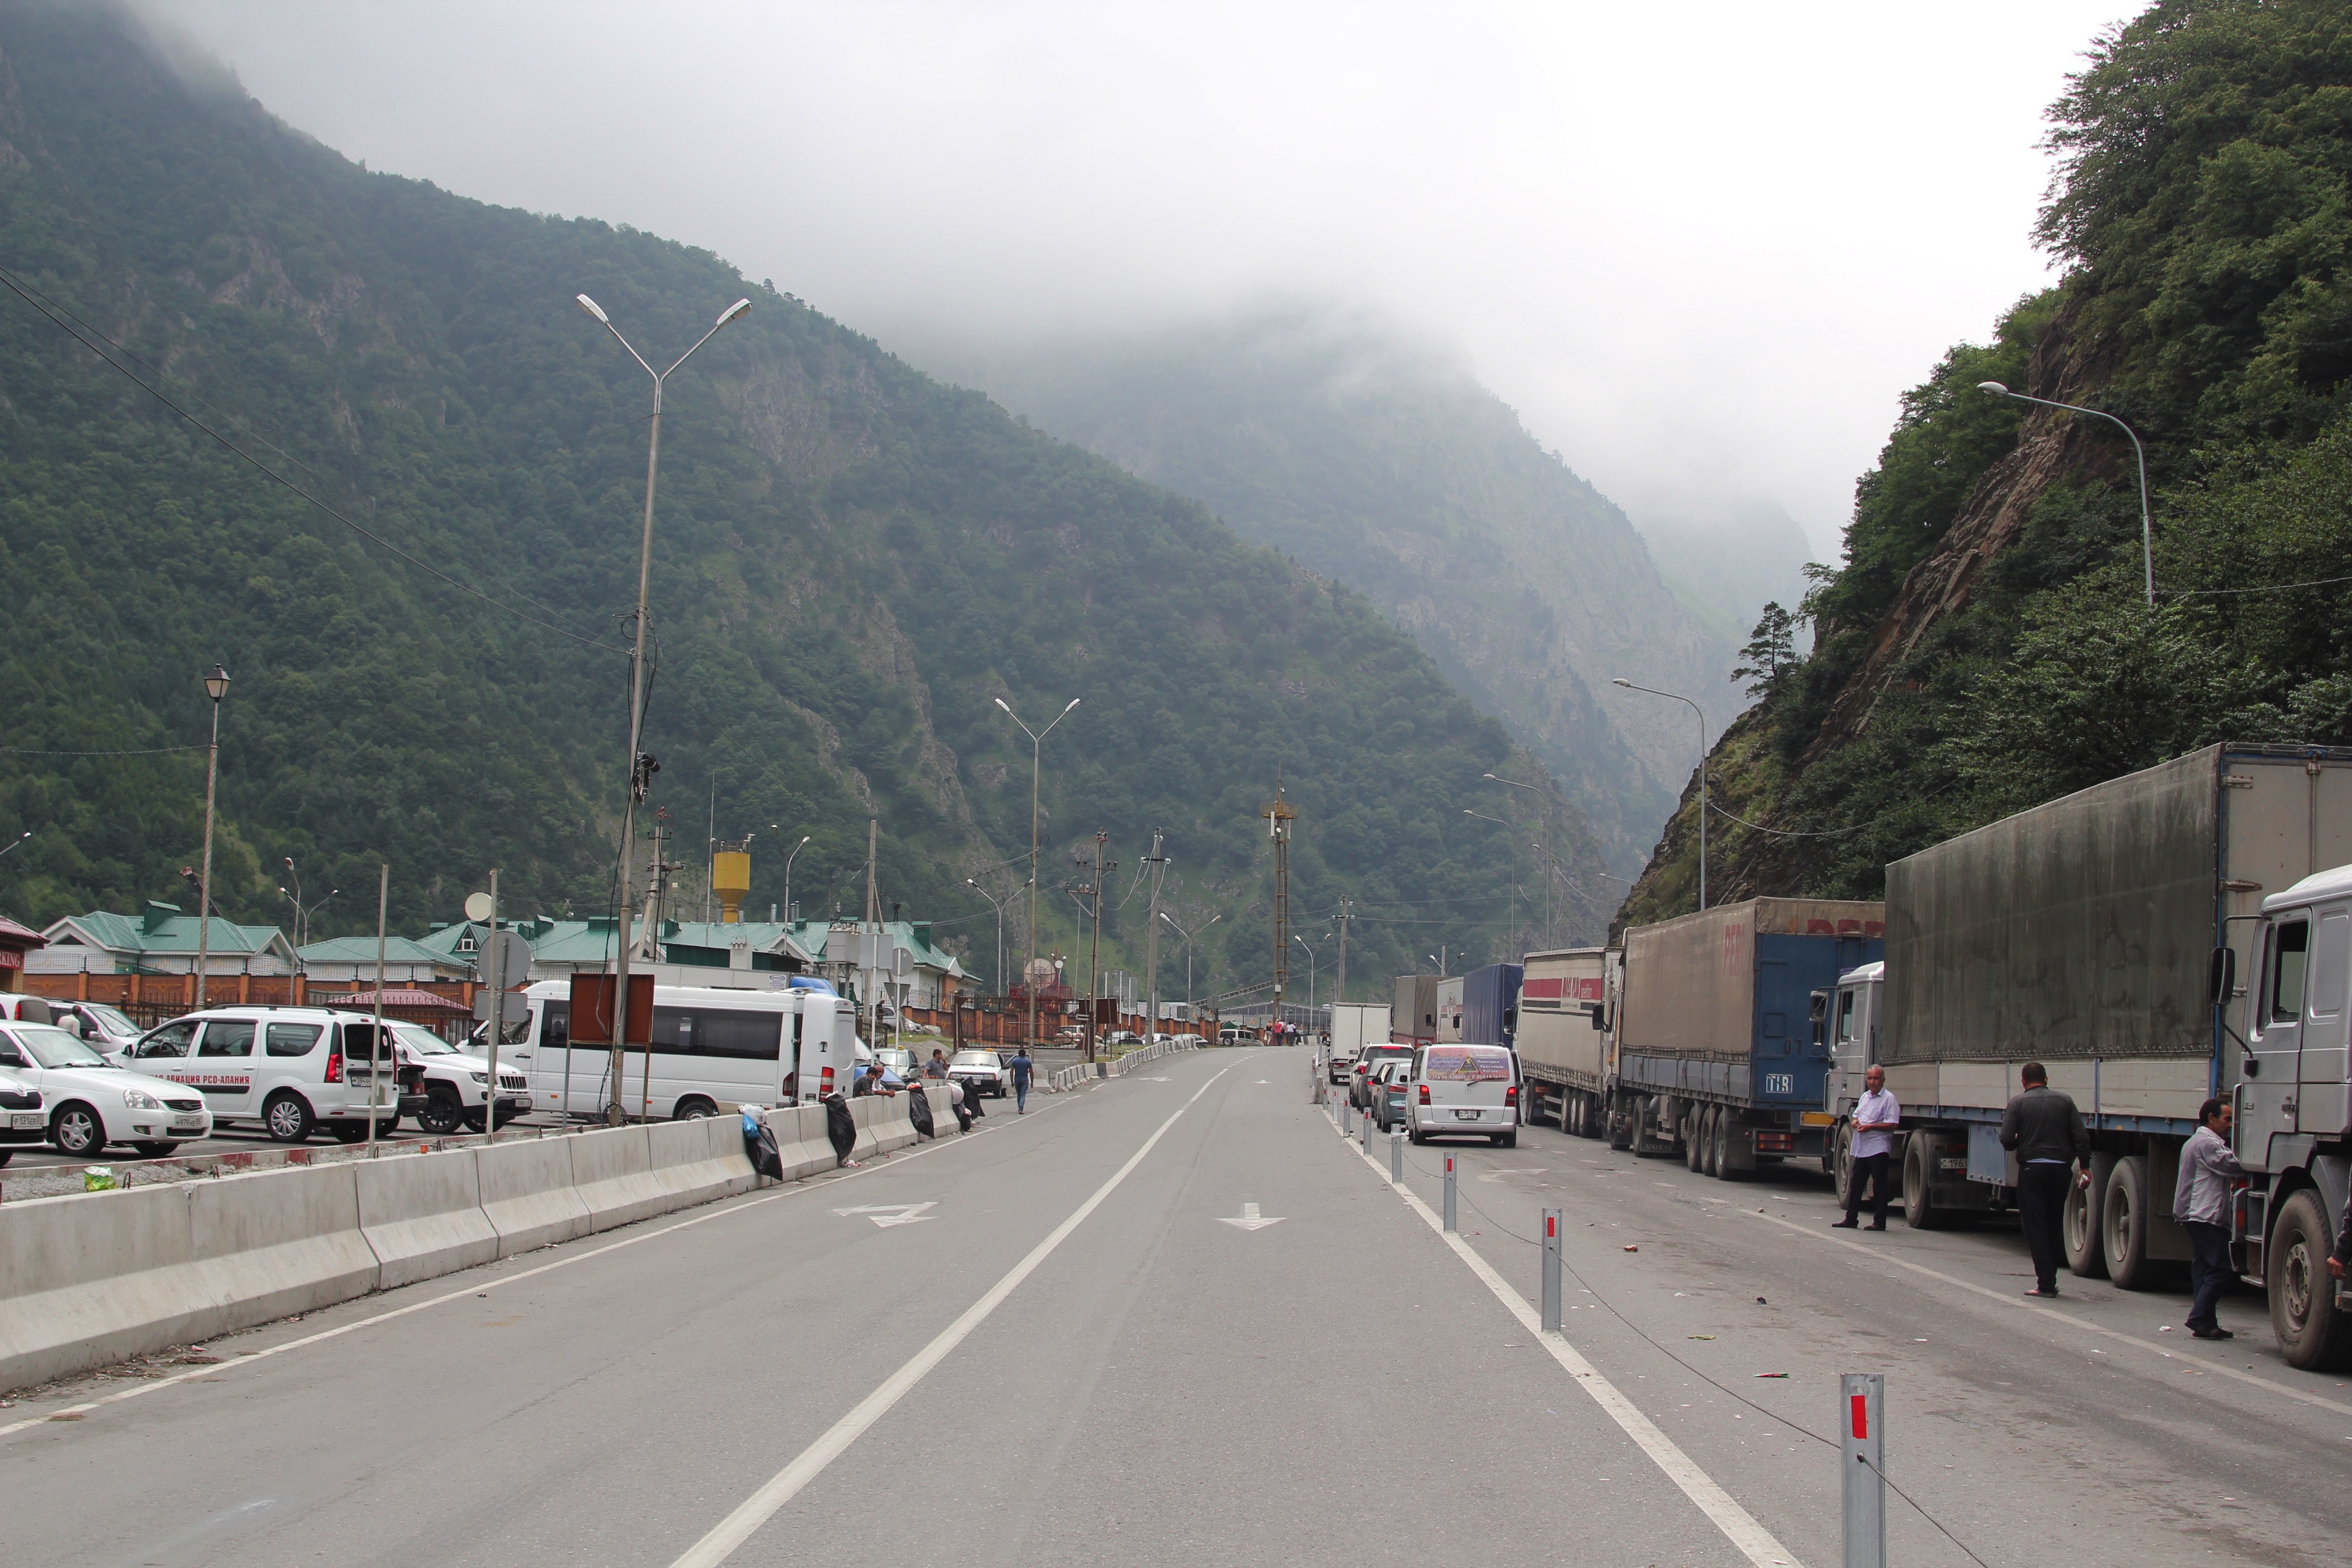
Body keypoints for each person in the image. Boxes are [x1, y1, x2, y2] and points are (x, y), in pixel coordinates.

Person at [1999, 1061, 2093, 1298]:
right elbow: (2081, 1136)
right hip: (2061, 1169)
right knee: (2053, 1223)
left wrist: (2021, 1139)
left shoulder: (2017, 1103)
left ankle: (2046, 1284)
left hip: (2032, 1170)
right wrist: (2084, 1166)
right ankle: (2051, 1279)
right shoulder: (2065, 1101)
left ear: (2023, 1081)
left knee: (2036, 1227)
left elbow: (2006, 1140)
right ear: (2046, 1079)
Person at [2174, 1096, 2244, 1339]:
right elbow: (2231, 1165)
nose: (2230, 1125)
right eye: (2227, 1119)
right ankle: (2199, 1317)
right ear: (2211, 1118)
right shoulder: (2207, 1143)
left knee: (2203, 1268)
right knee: (2221, 1269)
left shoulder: (2197, 1141)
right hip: (2205, 1215)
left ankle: (2206, 1322)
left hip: (2197, 1214)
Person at [1833, 1064, 1900, 1230]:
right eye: (1870, 1078)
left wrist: (1871, 1127)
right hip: (1862, 1147)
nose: (1872, 1082)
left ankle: (1879, 1222)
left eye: (1876, 1078)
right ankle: (1851, 1218)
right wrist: (1856, 1122)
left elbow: (1893, 1124)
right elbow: (1856, 1116)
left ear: (1883, 1080)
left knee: (1879, 1186)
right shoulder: (1865, 1097)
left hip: (1878, 1147)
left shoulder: (1889, 1099)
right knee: (1856, 1184)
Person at [1009, 1045, 1034, 1113]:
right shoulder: (1028, 1062)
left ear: (1019, 1054)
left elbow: (1011, 1071)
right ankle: (1021, 1109)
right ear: (1025, 1054)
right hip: (1025, 1080)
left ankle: (1019, 1108)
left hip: (1017, 1080)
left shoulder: (1015, 1061)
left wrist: (1012, 1081)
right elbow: (1031, 1072)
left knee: (1019, 1094)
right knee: (1023, 1094)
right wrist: (1032, 1082)